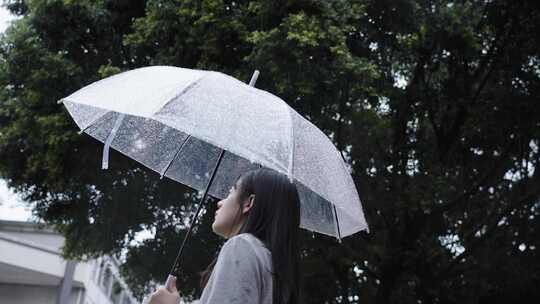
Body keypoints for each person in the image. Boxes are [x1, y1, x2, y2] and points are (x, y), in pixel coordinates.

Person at [148, 168, 301, 304]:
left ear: (248, 203)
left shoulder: (242, 246)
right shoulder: (275, 268)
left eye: (230, 193)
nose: (220, 203)